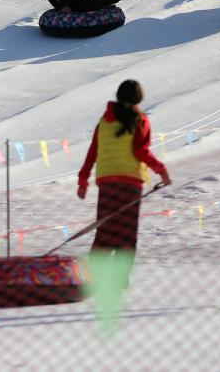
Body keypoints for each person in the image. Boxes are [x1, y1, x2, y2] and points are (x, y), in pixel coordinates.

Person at [78, 79, 171, 287]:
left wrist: (83, 180)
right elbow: (141, 151)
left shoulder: (104, 120)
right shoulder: (141, 120)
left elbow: (93, 151)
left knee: (105, 230)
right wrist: (161, 170)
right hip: (130, 183)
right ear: (139, 98)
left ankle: (92, 277)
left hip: (107, 183)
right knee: (126, 235)